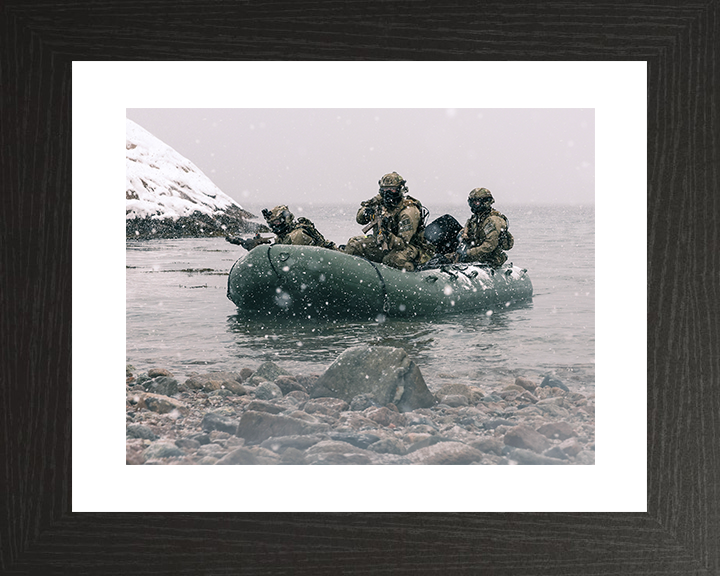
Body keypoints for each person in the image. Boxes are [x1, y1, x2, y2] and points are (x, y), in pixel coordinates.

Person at [343, 172, 434, 271]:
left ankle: (413, 270)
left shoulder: (408, 212)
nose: (387, 193)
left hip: (409, 247)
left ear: (400, 190)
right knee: (354, 246)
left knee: (391, 260)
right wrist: (365, 212)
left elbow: (403, 243)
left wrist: (388, 234)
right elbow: (359, 220)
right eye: (385, 189)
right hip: (381, 241)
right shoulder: (379, 202)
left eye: (392, 189)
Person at [448, 187, 513, 267]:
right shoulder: (476, 218)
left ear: (485, 202)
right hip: (476, 254)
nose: (473, 205)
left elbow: (489, 246)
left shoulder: (493, 221)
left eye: (476, 202)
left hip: (490, 258)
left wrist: (467, 253)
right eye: (471, 202)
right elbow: (468, 233)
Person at [226, 205, 336, 250]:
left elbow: (287, 257)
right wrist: (253, 245)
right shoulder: (283, 237)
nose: (275, 226)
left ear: (285, 219)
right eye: (272, 224)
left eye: (277, 222)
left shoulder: (298, 235)